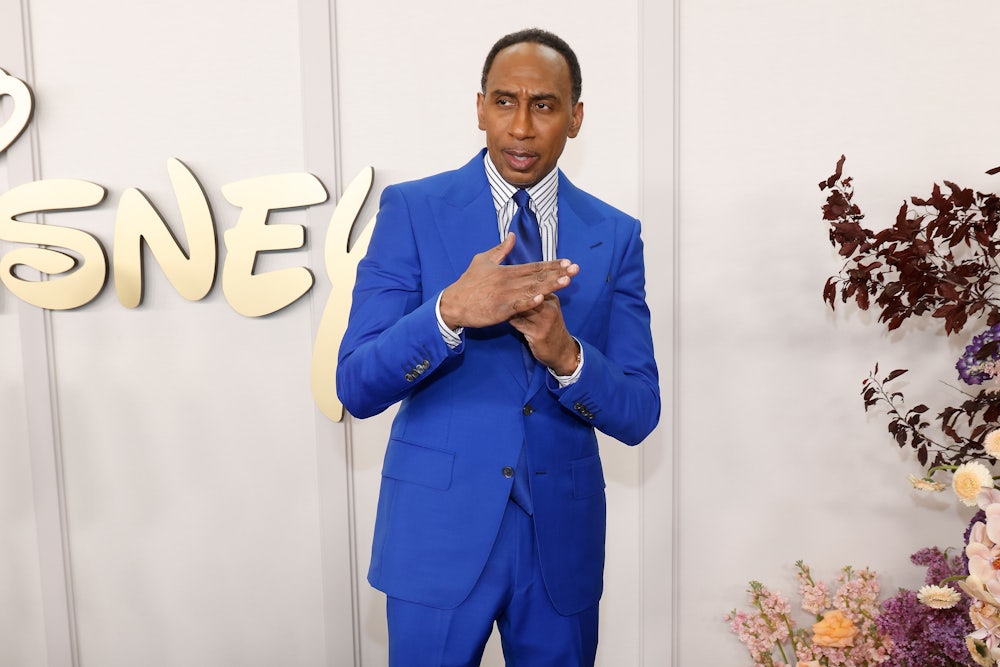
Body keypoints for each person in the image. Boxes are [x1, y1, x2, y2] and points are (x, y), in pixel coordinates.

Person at [336, 27, 660, 667]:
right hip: (436, 537)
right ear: (480, 106)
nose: (521, 126)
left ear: (575, 118)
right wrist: (449, 312)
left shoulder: (615, 235)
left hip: (559, 546)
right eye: (505, 101)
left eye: (544, 105)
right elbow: (356, 383)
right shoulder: (411, 209)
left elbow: (639, 411)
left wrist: (568, 357)